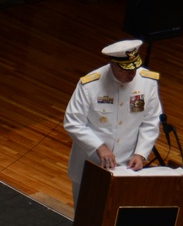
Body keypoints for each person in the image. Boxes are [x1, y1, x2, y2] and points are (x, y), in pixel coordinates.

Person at [63, 39, 162, 204]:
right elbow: (73, 121)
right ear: (113, 65)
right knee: (86, 218)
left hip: (127, 166)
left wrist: (141, 153)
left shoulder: (147, 82)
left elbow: (150, 120)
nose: (132, 74)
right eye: (126, 70)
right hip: (91, 164)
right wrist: (99, 147)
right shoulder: (90, 84)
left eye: (135, 68)